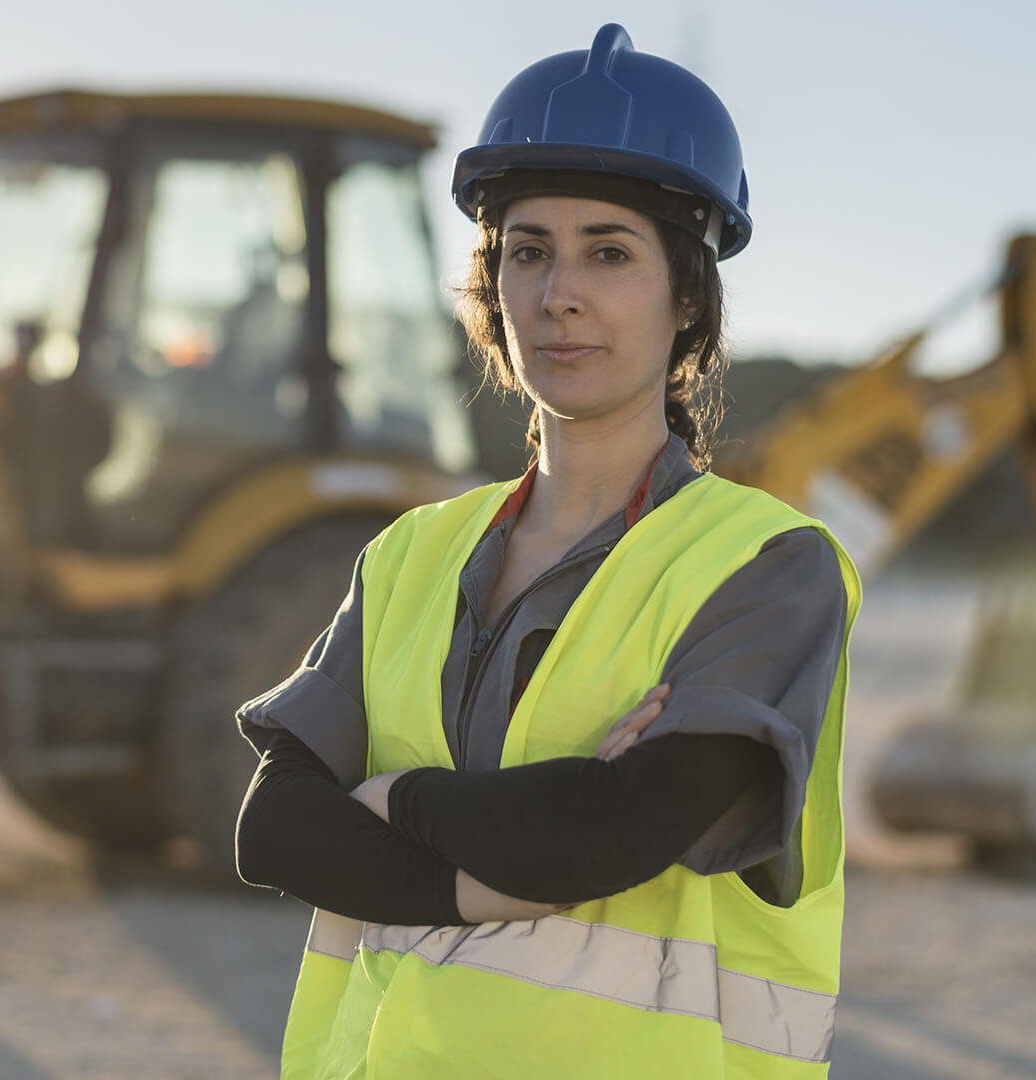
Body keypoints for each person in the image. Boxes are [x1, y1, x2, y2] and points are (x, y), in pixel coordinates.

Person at [231, 24, 861, 1079]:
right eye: (528, 250)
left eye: (608, 251)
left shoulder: (768, 567)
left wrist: (393, 802)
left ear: (689, 299)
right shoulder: (410, 555)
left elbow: (603, 840)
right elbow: (277, 829)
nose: (558, 291)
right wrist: (487, 874)